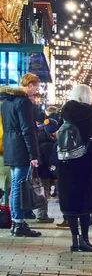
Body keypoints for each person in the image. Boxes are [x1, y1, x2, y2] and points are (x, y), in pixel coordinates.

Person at [57, 84, 92, 252]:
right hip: (88, 163)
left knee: (72, 202)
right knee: (86, 202)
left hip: (67, 164)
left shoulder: (64, 113)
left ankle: (75, 239)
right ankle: (85, 240)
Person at [1, 73, 42, 237]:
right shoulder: (23, 102)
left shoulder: (6, 102)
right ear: (30, 85)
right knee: (18, 186)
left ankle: (15, 222)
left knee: (15, 187)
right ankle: (19, 223)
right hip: (22, 150)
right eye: (36, 88)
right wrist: (34, 154)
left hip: (10, 148)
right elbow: (27, 130)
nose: (36, 92)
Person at [35, 118, 59, 223]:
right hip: (44, 172)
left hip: (38, 171)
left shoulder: (38, 138)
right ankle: (42, 215)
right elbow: (50, 161)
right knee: (43, 193)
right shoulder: (49, 143)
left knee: (41, 193)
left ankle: (40, 214)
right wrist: (54, 175)